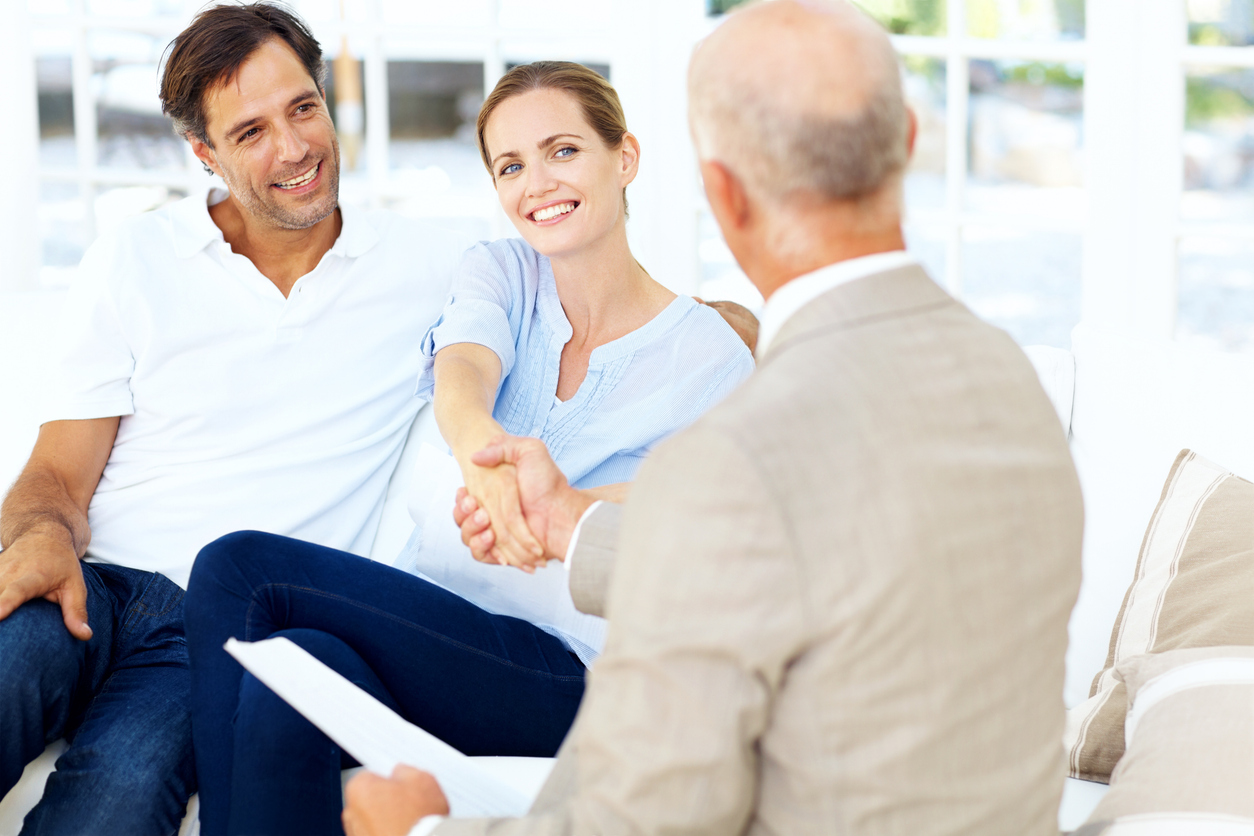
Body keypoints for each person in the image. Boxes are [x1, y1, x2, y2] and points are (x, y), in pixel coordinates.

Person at [341, 1, 1085, 835]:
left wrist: (422, 830)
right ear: (908, 140)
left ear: (720, 191)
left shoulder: (751, 442)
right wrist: (574, 516)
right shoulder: (1012, 381)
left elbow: (650, 813)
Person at [183, 61, 755, 836]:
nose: (537, 183)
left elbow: (711, 512)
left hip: (574, 676)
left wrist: (559, 508)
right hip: (440, 630)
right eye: (511, 166)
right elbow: (464, 367)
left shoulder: (713, 354)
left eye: (563, 151)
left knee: (238, 568)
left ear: (624, 158)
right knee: (298, 672)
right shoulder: (505, 272)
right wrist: (486, 457)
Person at [0, 4, 464, 834]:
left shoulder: (434, 268)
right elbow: (58, 476)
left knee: (113, 805)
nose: (293, 150)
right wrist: (35, 535)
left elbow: (585, 287)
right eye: (249, 132)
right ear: (204, 154)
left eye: (302, 108)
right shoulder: (136, 257)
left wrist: (731, 316)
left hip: (219, 626)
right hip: (92, 583)